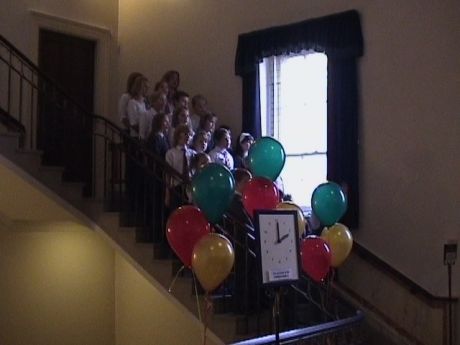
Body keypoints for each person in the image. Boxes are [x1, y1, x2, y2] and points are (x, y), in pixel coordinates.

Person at [165, 124, 195, 210]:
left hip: (189, 187)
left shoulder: (192, 153)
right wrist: (167, 194)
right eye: (185, 134)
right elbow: (168, 174)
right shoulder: (171, 153)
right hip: (177, 186)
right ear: (178, 135)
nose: (188, 136)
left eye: (189, 134)